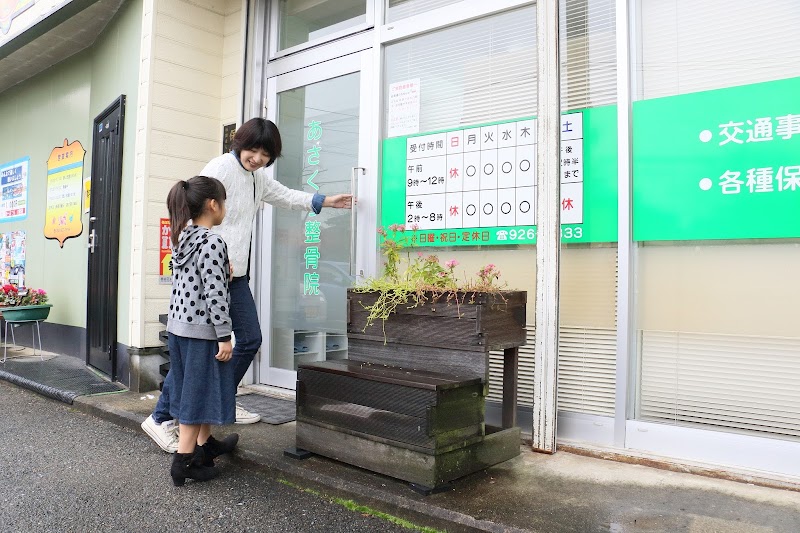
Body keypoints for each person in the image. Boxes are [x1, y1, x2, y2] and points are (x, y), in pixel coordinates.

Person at [142, 118, 353, 453]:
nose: (257, 158)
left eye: (265, 154)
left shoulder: (257, 179)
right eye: (253, 149)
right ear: (240, 143)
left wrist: (325, 201)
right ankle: (161, 417)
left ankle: (220, 398)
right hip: (209, 278)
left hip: (235, 277)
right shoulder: (221, 168)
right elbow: (190, 206)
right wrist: (199, 251)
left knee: (250, 338)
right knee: (197, 356)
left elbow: (285, 195)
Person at [164, 175, 240, 486]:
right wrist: (224, 335)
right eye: (224, 202)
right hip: (201, 332)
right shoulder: (212, 241)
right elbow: (214, 294)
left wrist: (224, 271)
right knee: (196, 395)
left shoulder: (184, 238)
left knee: (196, 389)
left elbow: (192, 282)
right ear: (213, 204)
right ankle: (183, 462)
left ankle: (205, 446)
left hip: (179, 328)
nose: (225, 208)